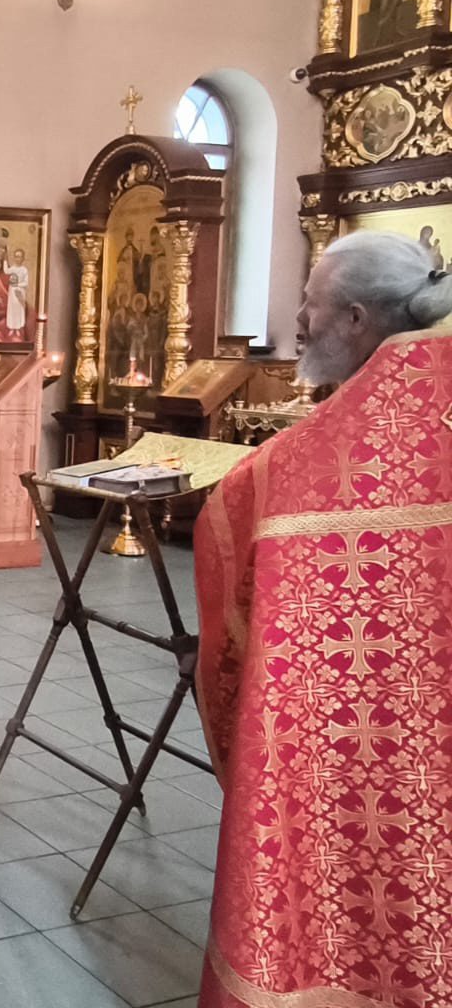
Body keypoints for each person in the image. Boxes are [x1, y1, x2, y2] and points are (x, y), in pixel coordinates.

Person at [194, 230, 452, 1007]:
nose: (300, 320)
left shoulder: (310, 458)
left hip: (360, 737)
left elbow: (230, 520)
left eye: (310, 304)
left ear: (356, 320)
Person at [5, 246, 30, 337]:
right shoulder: (13, 268)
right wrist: (5, 260)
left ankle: (18, 328)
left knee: (18, 309)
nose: (17, 259)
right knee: (12, 309)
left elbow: (26, 283)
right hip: (12, 292)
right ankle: (12, 328)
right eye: (16, 256)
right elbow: (6, 271)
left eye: (19, 256)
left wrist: (18, 284)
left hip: (20, 292)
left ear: (23, 258)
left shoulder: (24, 270)